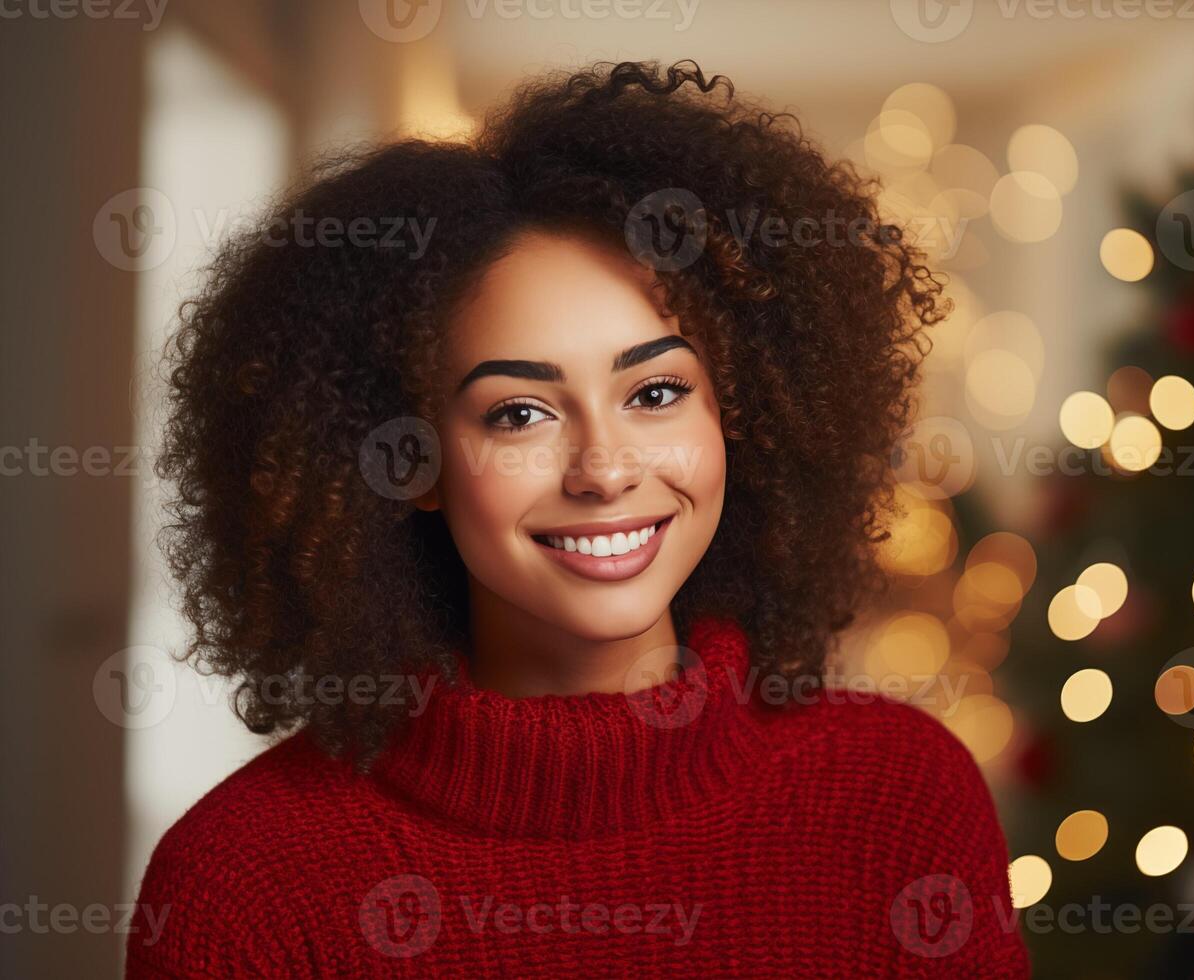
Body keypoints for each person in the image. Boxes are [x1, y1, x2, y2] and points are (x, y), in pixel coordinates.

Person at [127, 59, 1029, 978]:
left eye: (658, 392)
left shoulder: (898, 800)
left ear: (742, 415)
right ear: (412, 462)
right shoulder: (247, 881)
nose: (603, 469)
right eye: (518, 413)